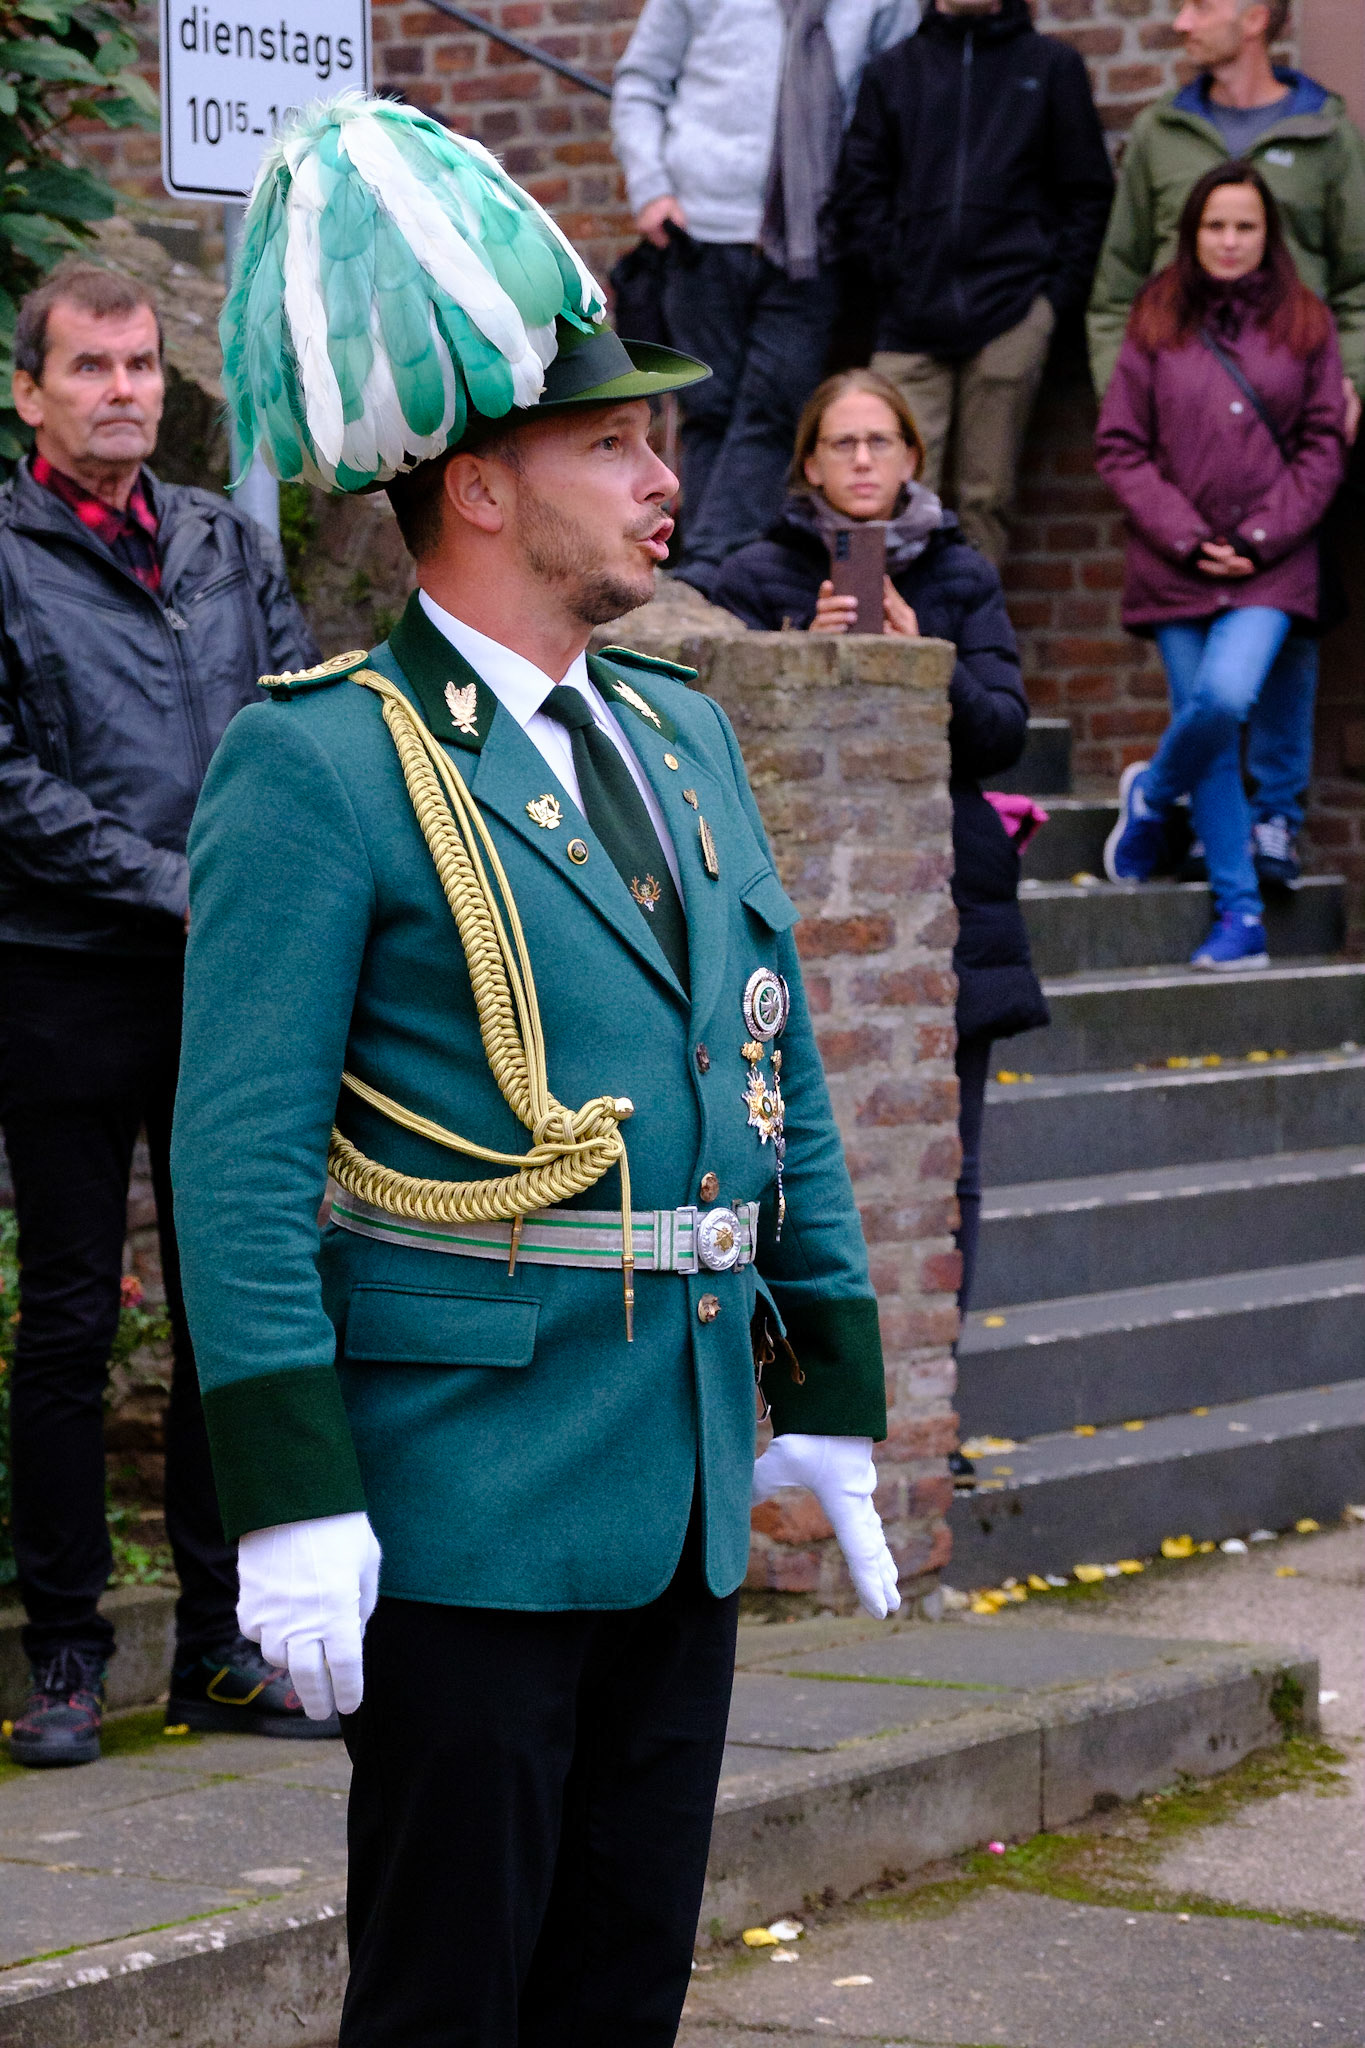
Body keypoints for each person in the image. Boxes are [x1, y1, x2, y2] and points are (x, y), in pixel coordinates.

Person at [169, 96, 900, 2045]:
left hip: (670, 1482)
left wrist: (824, 1366)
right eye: (610, 440)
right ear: (478, 487)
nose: (661, 474)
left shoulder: (680, 738)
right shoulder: (320, 761)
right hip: (466, 1502)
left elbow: (768, 1064)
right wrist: (290, 1495)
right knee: (446, 2005)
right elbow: (235, 1164)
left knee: (614, 1999)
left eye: (654, 434)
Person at [0, 261, 320, 1768]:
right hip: (61, 973)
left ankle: (219, 1648)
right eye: (90, 368)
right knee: (67, 1321)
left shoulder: (223, 542)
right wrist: (176, 877)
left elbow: (303, 714)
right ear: (31, 392)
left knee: (229, 1311)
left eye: (139, 365)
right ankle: (65, 1655)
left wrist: (260, 889)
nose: (122, 389)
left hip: (226, 982)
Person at [710, 369, 1048, 1420]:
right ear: (808, 463)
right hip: (794, 903)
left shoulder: (960, 573)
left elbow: (1002, 731)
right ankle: (797, 1396)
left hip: (951, 903)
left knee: (952, 1167)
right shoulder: (751, 574)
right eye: (842, 444)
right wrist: (795, 656)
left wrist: (918, 659)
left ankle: (927, 1402)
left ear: (912, 459)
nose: (862, 461)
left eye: (881, 442)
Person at [1087, 0, 1365, 888]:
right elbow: (1116, 286)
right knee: (1216, 682)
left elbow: (1357, 274)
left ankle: (1273, 818)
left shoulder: (1326, 130)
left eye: (1199, 3)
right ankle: (1221, 843)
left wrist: (1349, 380)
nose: (1178, 21)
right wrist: (1138, 400)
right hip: (1185, 439)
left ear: (1254, 16)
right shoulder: (1166, 134)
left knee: (1288, 642)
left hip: (1300, 419)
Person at [1097, 163, 1346, 969]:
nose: (1229, 241)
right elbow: (1120, 446)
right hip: (1176, 569)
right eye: (1214, 227)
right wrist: (1184, 531)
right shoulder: (1154, 319)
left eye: (1244, 226)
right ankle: (1239, 918)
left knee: (1223, 697)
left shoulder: (1305, 322)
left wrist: (1263, 534)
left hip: (1271, 568)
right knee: (1207, 720)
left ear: (1266, 233)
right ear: (1191, 233)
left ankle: (1154, 791)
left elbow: (1320, 443)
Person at [610, 0, 920, 596]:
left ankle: (708, 564)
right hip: (701, 229)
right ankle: (706, 559)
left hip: (816, 233)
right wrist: (651, 188)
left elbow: (891, 97)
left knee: (776, 406)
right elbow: (642, 80)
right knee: (709, 406)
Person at [832, 0, 1113, 563]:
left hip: (1012, 315)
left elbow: (1088, 195)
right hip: (909, 320)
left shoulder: (1051, 66)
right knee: (885, 496)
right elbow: (858, 192)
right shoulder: (894, 70)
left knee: (987, 497)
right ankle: (886, 642)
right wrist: (896, 273)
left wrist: (1049, 306)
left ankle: (969, 645)